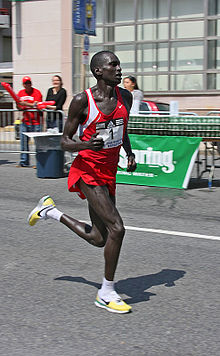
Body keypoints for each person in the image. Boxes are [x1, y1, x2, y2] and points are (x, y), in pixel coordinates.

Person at [28, 51, 137, 314]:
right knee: (117, 229)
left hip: (109, 172)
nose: (119, 70)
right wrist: (86, 144)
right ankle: (106, 292)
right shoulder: (82, 101)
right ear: (98, 71)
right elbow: (64, 141)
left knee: (99, 238)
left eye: (119, 65)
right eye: (113, 65)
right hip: (87, 170)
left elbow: (122, 130)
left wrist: (129, 153)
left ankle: (50, 212)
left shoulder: (126, 97)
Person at [17, 76, 43, 167]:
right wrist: (22, 105)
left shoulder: (37, 92)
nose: (27, 85)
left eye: (29, 83)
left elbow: (38, 105)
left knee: (38, 144)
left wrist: (25, 104)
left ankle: (39, 163)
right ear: (23, 84)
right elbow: (18, 106)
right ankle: (24, 161)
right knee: (23, 142)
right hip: (25, 121)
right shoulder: (20, 93)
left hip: (36, 122)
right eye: (25, 83)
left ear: (31, 83)